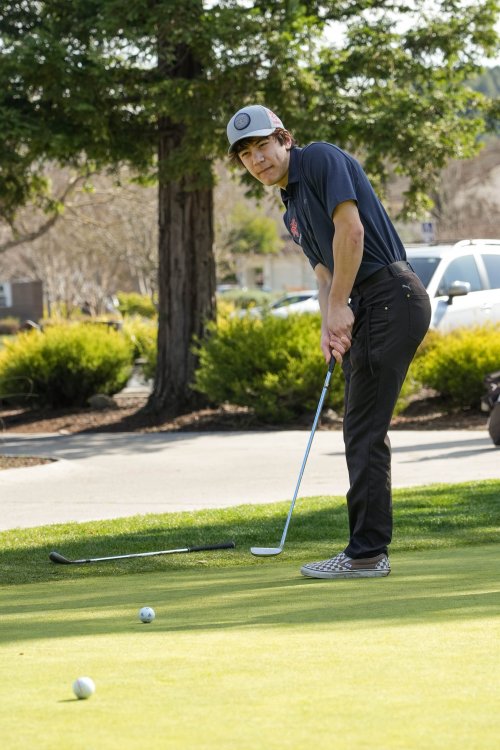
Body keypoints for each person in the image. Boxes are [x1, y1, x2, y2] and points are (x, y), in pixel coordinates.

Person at [226, 104, 432, 579]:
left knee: (362, 431)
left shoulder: (319, 159)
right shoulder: (290, 209)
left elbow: (351, 230)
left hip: (390, 295)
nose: (257, 160)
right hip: (367, 307)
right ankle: (367, 551)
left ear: (285, 139)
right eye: (246, 155)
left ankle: (366, 555)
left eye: (262, 146)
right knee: (359, 430)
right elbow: (323, 273)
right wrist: (329, 319)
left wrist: (342, 305)